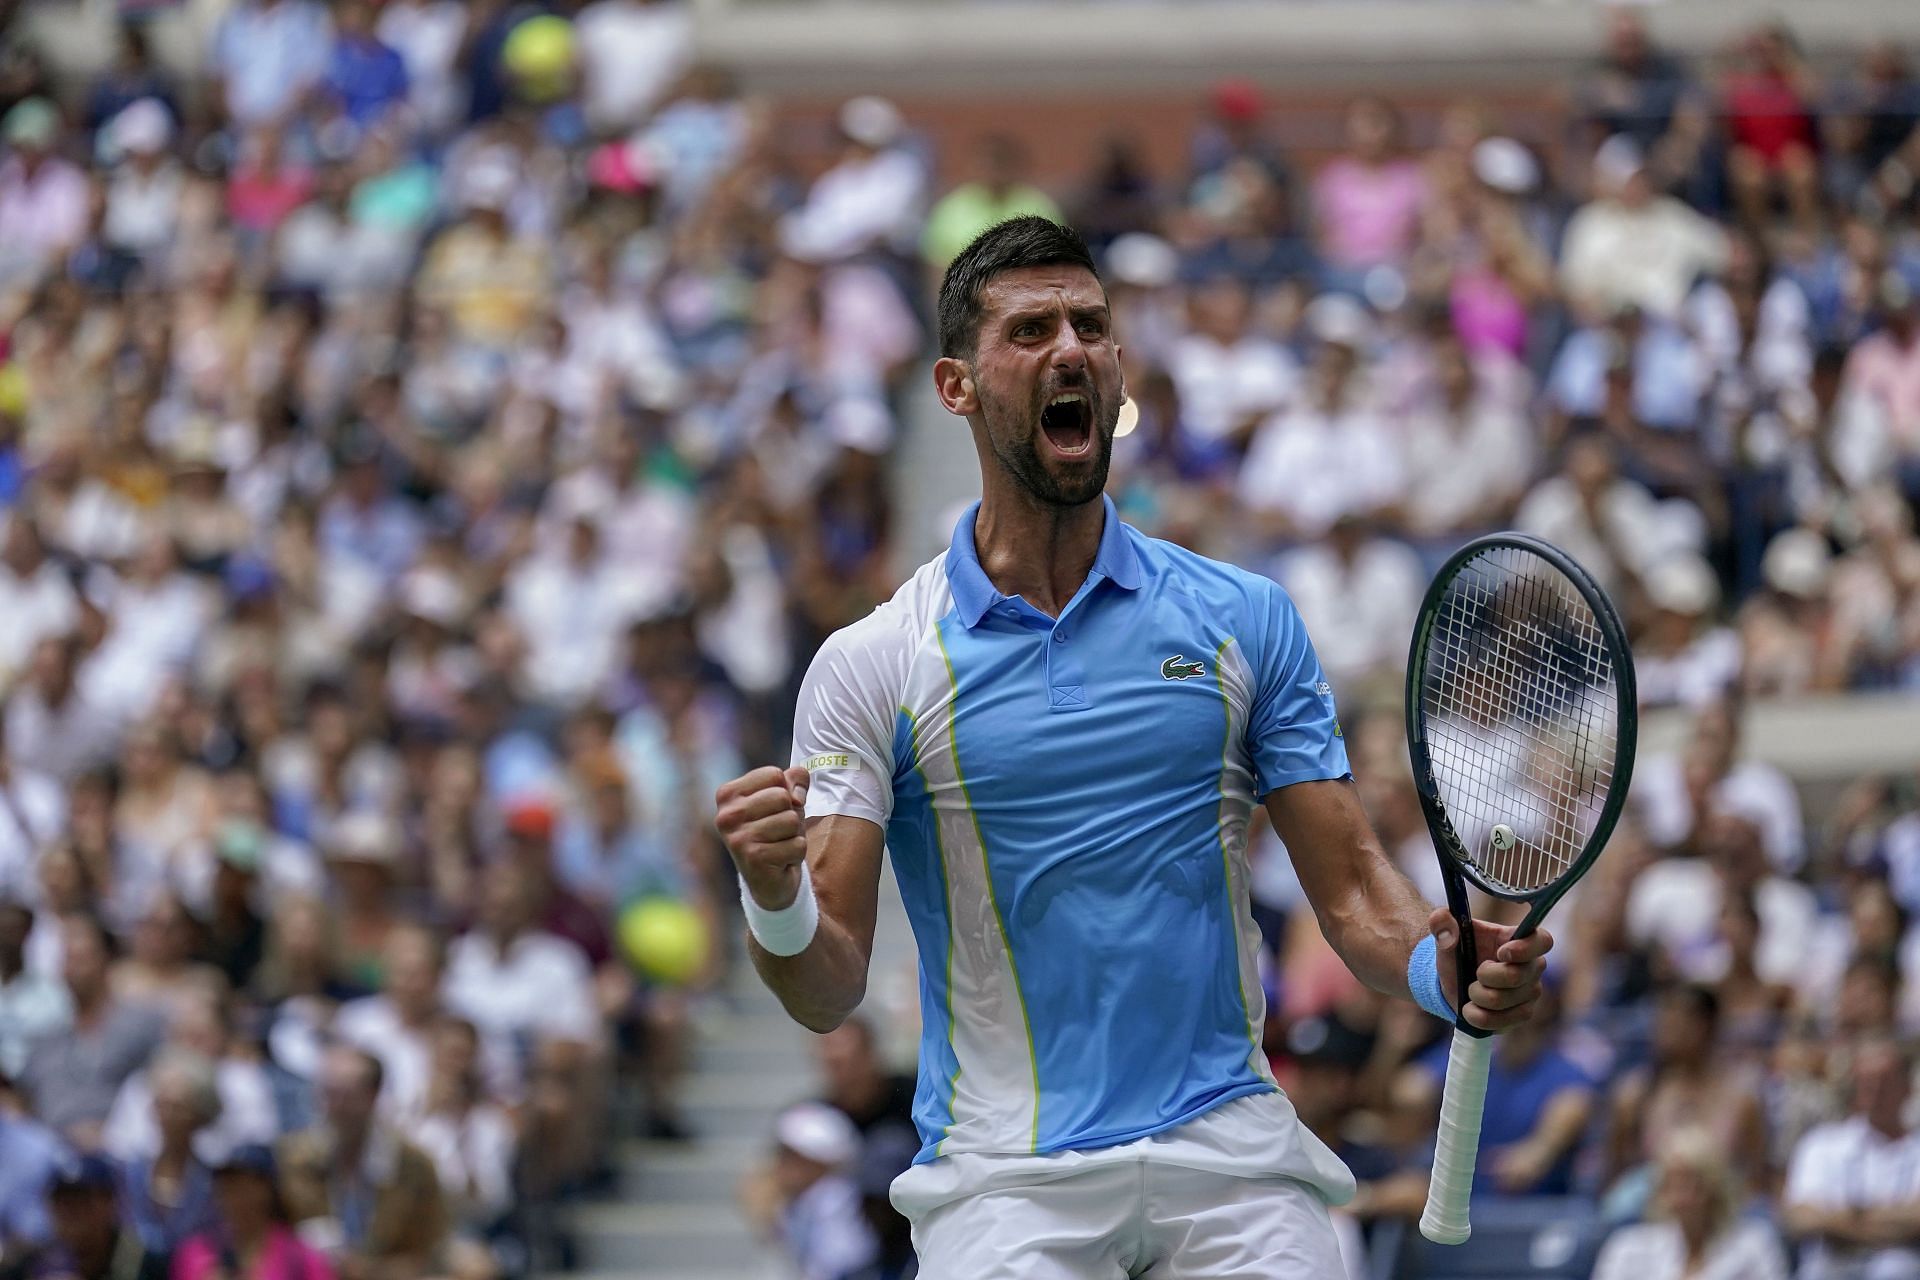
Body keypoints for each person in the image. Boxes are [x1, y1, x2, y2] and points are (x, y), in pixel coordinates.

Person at [713, 217, 1552, 1274]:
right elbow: (825, 984)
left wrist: (1447, 965)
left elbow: (1353, 898)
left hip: (1233, 1155)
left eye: (1091, 325)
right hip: (1008, 1177)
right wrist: (773, 890)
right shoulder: (874, 662)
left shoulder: (1244, 618)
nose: (1072, 348)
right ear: (955, 386)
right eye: (1030, 331)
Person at [276, 1046, 445, 1280]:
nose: (336, 1107)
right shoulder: (292, 1160)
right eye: (328, 1094)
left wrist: (368, 1271)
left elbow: (429, 1253)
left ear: (373, 1095)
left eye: (347, 1096)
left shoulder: (413, 1166)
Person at [1783, 1037, 1920, 1280]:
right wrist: (1895, 1222)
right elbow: (1801, 1218)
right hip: (1831, 1267)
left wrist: (1845, 1220)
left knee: (1896, 1268)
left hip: (1902, 1268)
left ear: (1906, 1086)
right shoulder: (1822, 1144)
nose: (1875, 1091)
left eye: (1884, 1081)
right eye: (1867, 1082)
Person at [1591, 1127, 1788, 1280]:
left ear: (1713, 1188)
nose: (1680, 1196)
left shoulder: (1754, 1245)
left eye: (1690, 1183)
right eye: (1670, 1183)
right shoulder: (1627, 1248)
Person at [172, 1145, 334, 1280]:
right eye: (227, 1186)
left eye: (243, 1186)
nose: (234, 1197)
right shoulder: (194, 1253)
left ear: (268, 1189)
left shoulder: (301, 1258)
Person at [28, 1152, 168, 1280]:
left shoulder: (144, 1262)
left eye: (81, 1201)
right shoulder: (35, 1261)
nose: (70, 1212)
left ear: (109, 1202)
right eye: (61, 1201)